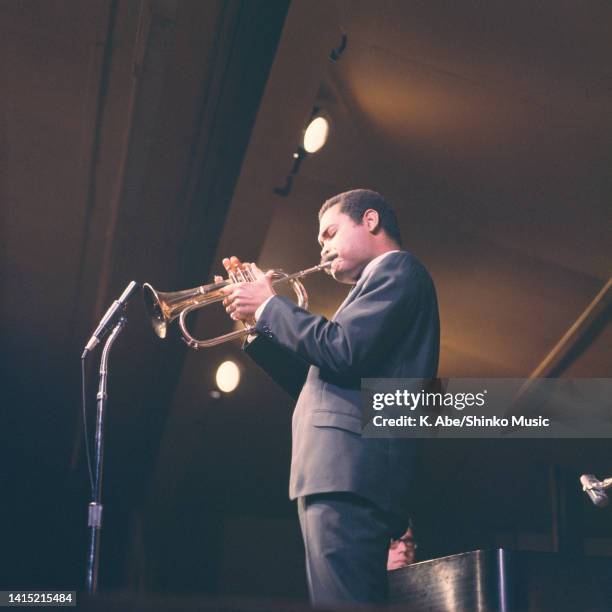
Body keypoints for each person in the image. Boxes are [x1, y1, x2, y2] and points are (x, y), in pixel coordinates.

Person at [218, 189, 440, 607]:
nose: (322, 246)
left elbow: (341, 350)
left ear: (370, 221)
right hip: (339, 473)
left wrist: (270, 306)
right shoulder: (377, 286)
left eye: (331, 233)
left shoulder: (398, 269)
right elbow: (318, 376)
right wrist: (257, 326)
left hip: (350, 473)